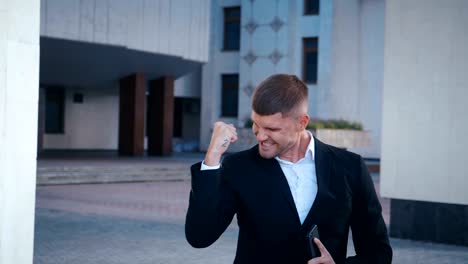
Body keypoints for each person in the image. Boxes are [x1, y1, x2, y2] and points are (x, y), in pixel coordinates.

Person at [185, 74, 392, 264]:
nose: (260, 136)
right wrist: (212, 158)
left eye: (272, 129)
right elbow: (200, 236)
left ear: (302, 122)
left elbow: (378, 253)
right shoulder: (239, 167)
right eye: (257, 125)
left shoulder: (350, 167)